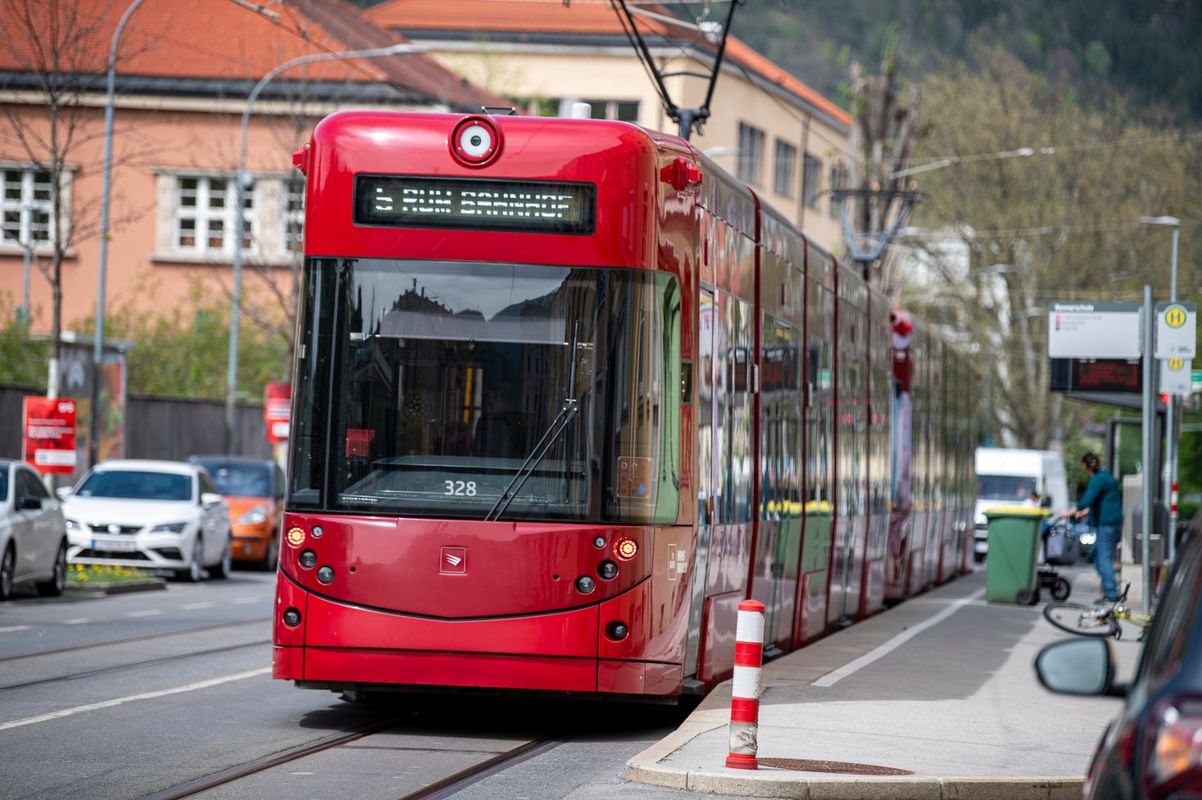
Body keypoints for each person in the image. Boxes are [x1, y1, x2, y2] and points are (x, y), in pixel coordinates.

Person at [1058, 452, 1122, 604]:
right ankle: (1110, 590)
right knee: (1096, 554)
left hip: (1106, 524)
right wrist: (1085, 513)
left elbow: (1086, 500)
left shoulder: (1098, 479)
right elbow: (1102, 501)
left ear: (1085, 465)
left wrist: (1069, 512)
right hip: (1109, 523)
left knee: (1103, 557)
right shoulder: (1106, 476)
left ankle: (1111, 595)